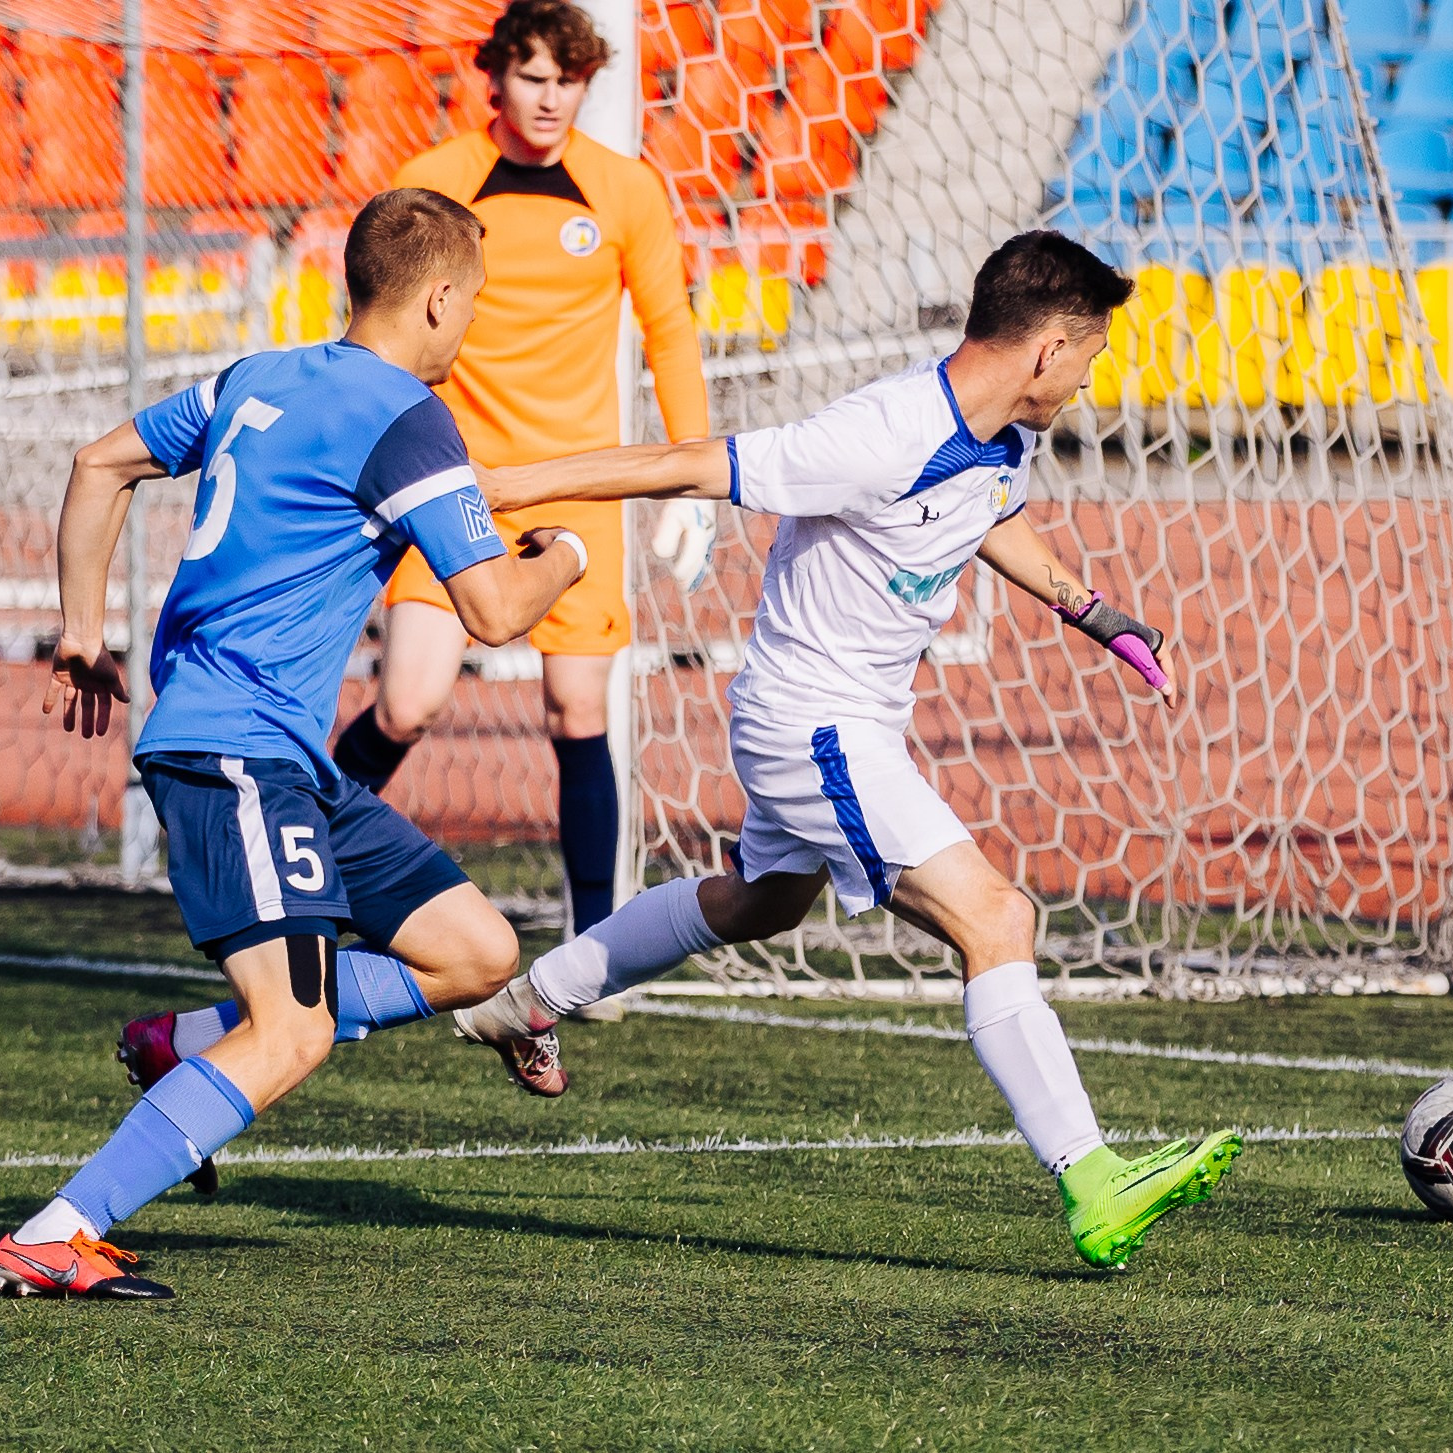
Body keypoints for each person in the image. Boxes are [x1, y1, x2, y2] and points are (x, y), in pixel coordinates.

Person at [453, 231, 1243, 1270]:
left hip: (840, 719)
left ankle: (527, 1000)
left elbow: (987, 515)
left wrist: (1095, 614)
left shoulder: (1002, 428)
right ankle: (1093, 1179)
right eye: (1089, 359)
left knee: (757, 903)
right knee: (998, 915)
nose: (1088, 382)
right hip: (812, 722)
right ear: (1048, 346)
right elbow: (687, 465)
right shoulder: (880, 431)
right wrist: (501, 490)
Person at [0, 189, 586, 1300]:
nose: (469, 330)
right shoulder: (405, 416)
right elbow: (497, 611)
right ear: (442, 298)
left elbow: (96, 461)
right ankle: (56, 1230)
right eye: (473, 308)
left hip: (278, 762)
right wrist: (567, 556)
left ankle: (184, 1045)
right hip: (234, 754)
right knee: (297, 1028)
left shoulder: (255, 377)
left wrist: (81, 630)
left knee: (476, 953)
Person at [330, 0, 712, 942]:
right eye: (533, 78)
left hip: (579, 488)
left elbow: (670, 333)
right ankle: (305, 873)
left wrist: (690, 476)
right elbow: (376, 327)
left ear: (589, 85)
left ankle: (597, 949)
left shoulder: (625, 192)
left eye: (569, 81)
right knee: (409, 702)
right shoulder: (435, 182)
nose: (550, 99)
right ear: (495, 77)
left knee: (579, 710)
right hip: (443, 482)